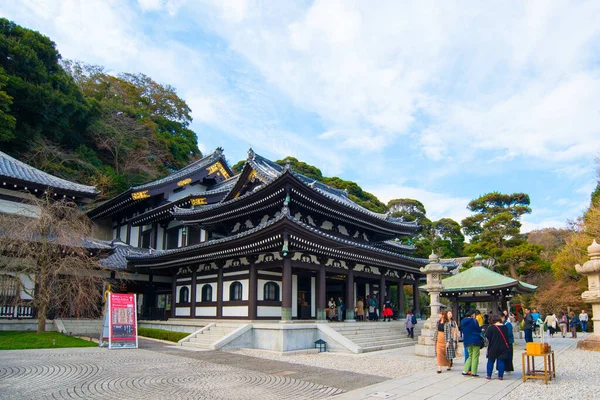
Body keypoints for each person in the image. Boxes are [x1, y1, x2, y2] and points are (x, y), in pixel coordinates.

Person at [485, 314, 510, 380]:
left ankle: (488, 375)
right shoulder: (505, 327)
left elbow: (487, 336)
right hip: (503, 346)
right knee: (501, 361)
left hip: (493, 346)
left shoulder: (491, 328)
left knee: (490, 360)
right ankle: (500, 376)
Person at [461, 310, 482, 377]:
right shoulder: (474, 320)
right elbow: (478, 329)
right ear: (472, 315)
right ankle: (474, 372)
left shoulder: (463, 321)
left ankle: (465, 370)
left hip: (467, 340)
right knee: (475, 356)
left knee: (470, 355)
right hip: (475, 340)